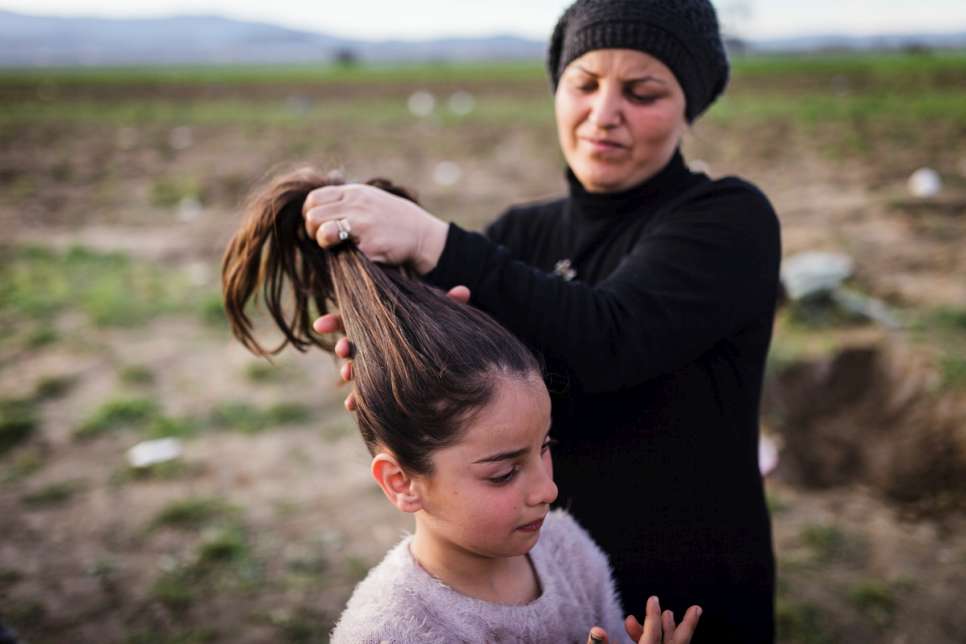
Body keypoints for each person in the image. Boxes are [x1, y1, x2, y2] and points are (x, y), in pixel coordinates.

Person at [302, 1, 782, 642]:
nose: (604, 112)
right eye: (583, 84)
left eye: (641, 92)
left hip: (684, 599)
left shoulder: (728, 221)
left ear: (688, 107)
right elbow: (457, 387)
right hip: (537, 589)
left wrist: (433, 241)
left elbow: (610, 336)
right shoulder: (521, 234)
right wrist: (393, 356)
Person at [221, 169, 703, 643]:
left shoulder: (569, 551)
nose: (548, 489)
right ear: (401, 482)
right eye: (502, 473)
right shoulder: (387, 633)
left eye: (544, 447)